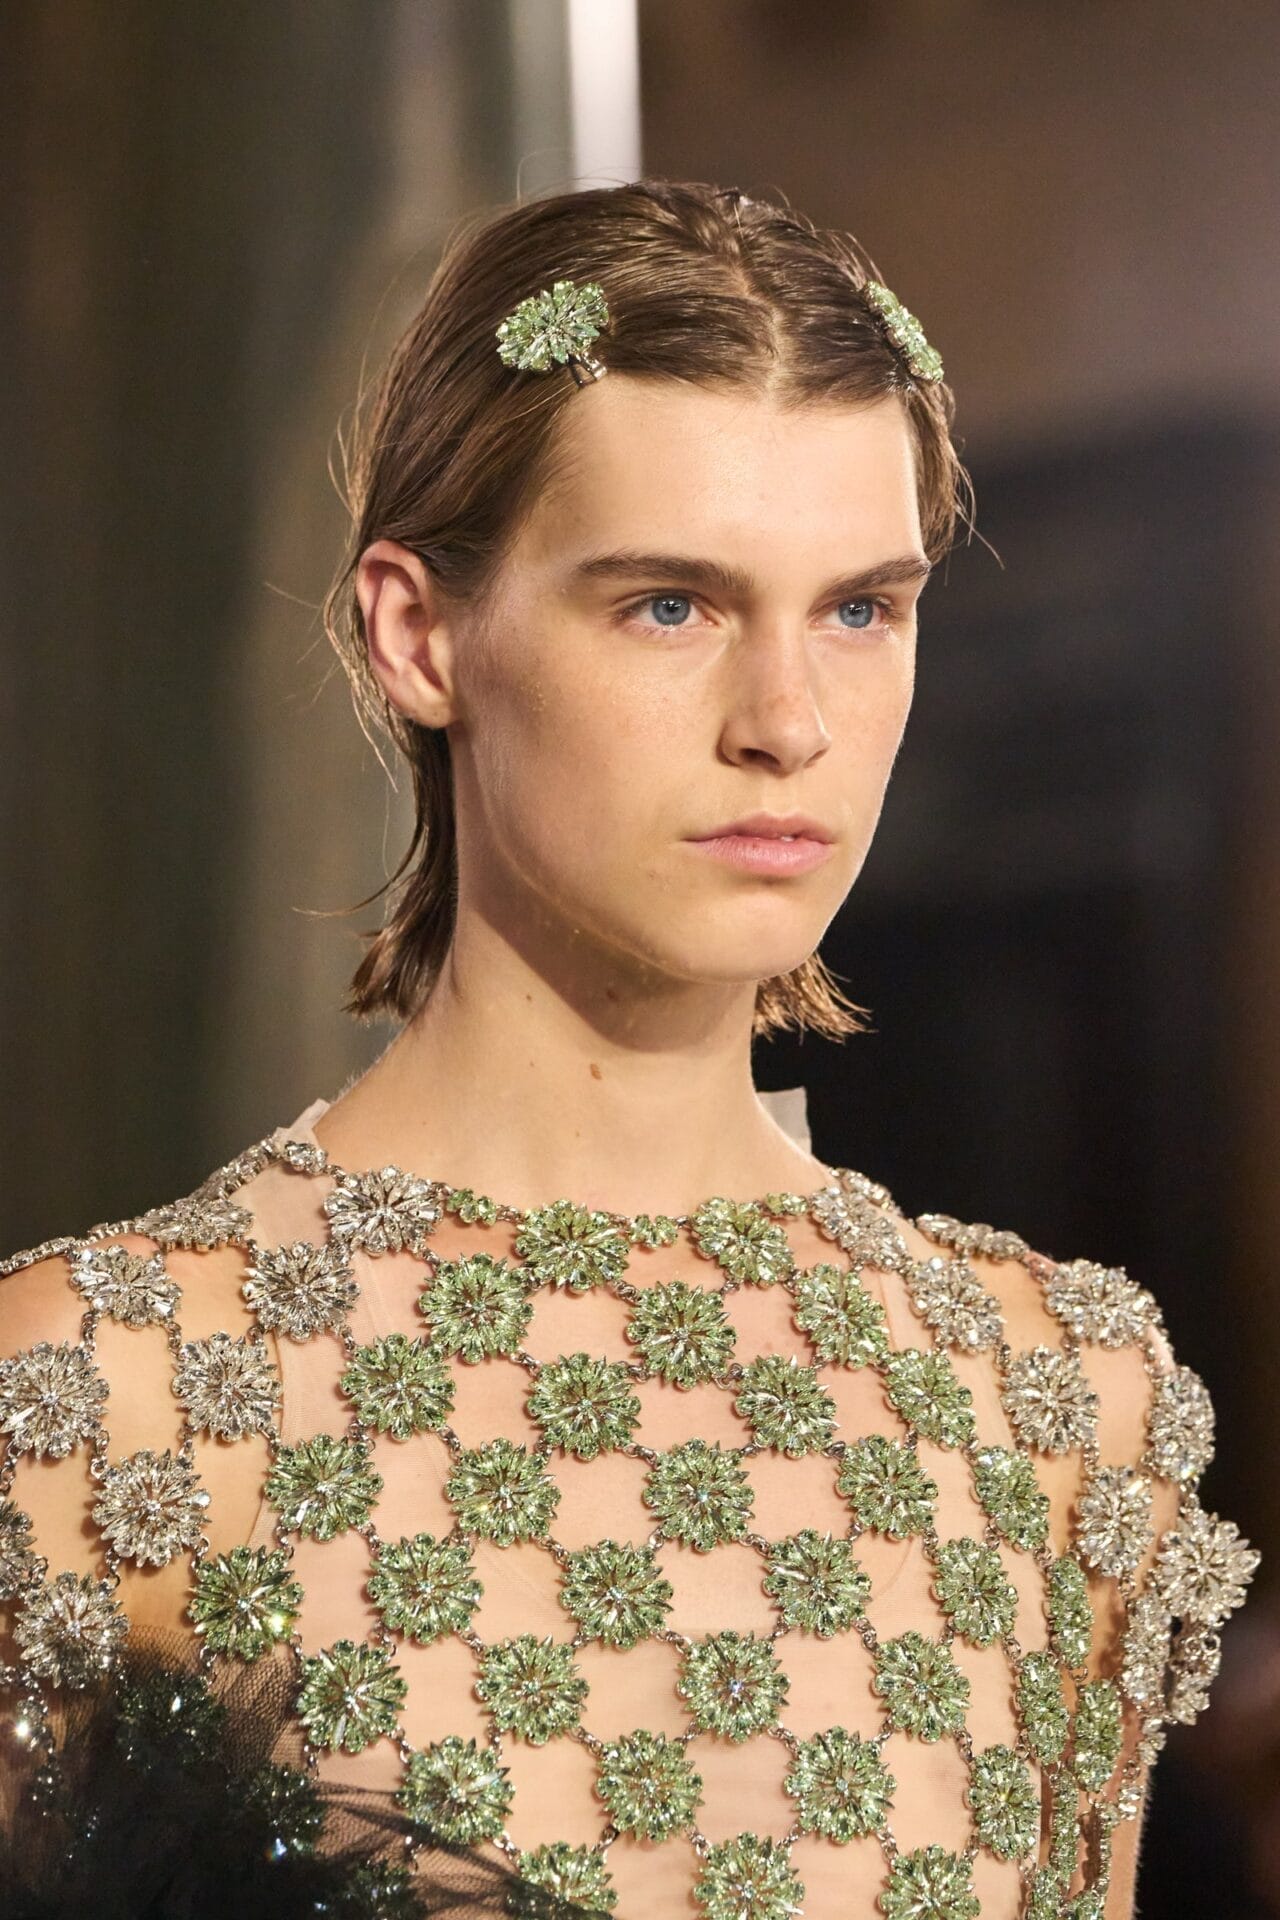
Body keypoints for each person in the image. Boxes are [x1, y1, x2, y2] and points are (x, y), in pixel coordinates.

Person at [0, 178, 1258, 1920]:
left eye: (861, 609)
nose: (787, 723)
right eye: (670, 604)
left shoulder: (1053, 1400)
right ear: (418, 633)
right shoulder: (101, 1401)